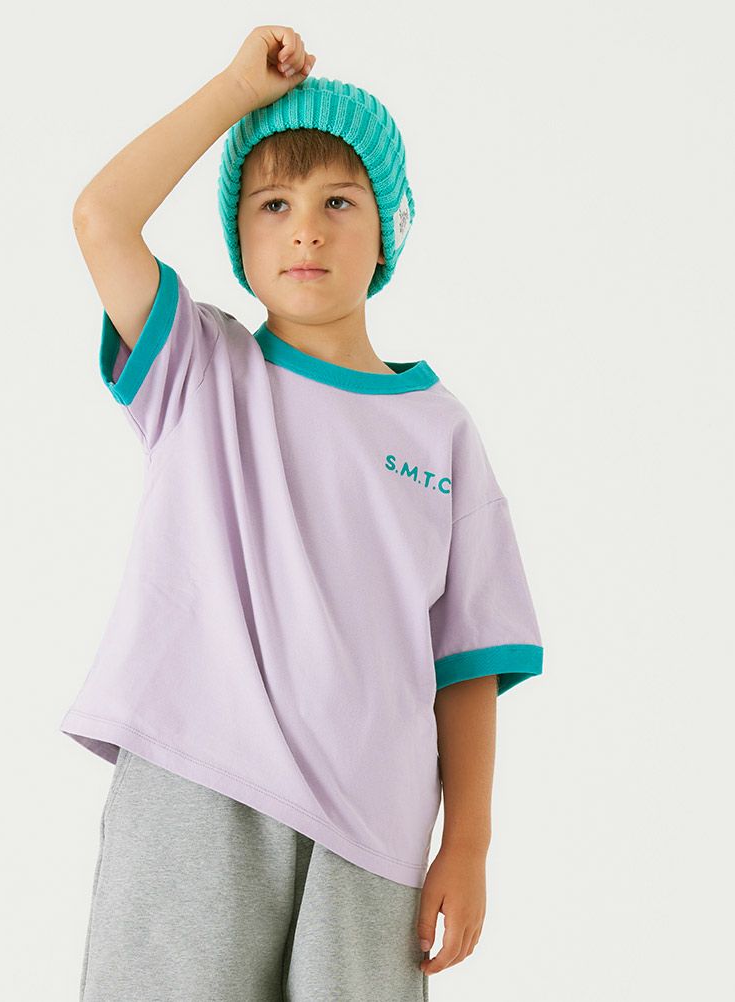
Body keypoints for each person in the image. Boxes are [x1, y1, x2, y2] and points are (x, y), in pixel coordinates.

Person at [60, 24, 544, 1002]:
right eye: (273, 204)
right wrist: (235, 92)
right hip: (198, 783)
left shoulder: (442, 433)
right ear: (240, 235)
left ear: (389, 230)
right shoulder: (200, 369)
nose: (306, 230)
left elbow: (468, 664)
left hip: (372, 828)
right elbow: (102, 218)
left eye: (339, 202)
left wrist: (468, 845)